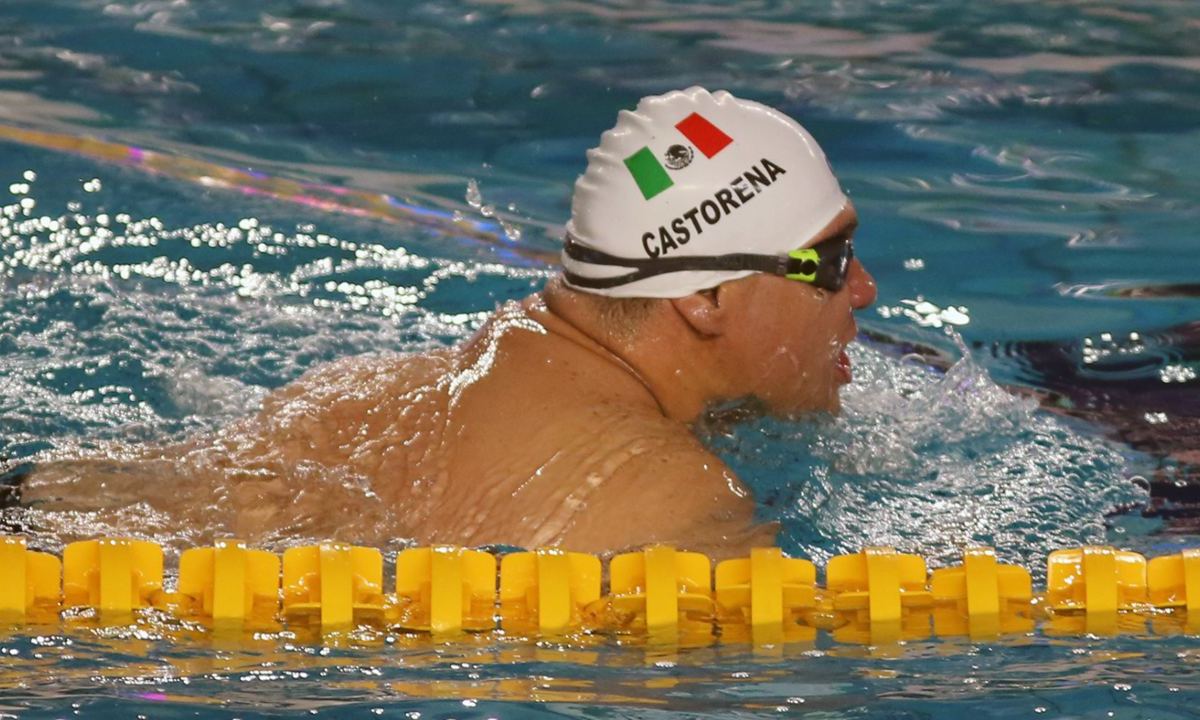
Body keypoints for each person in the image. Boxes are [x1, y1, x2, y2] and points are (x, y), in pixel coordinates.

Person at [7, 87, 876, 558]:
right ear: (705, 297)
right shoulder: (681, 505)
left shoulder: (363, 395)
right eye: (832, 262)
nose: (865, 292)